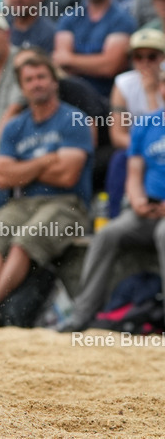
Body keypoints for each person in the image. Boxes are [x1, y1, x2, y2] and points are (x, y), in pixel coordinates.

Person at [0, 53, 92, 326]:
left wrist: (22, 170)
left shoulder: (74, 119)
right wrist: (47, 160)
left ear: (54, 82)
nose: (36, 84)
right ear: (22, 88)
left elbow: (68, 175)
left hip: (67, 203)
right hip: (23, 203)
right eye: (29, 80)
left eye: (41, 77)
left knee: (27, 238)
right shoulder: (15, 126)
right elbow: (2, 177)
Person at [56, 69, 165, 332]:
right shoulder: (146, 124)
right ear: (160, 88)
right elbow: (135, 171)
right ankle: (82, 315)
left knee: (164, 233)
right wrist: (137, 198)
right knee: (107, 234)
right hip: (145, 209)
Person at [54, 0, 136, 98]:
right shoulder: (70, 17)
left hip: (106, 98)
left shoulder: (122, 19)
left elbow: (110, 66)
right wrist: (96, 62)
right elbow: (60, 61)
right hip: (72, 97)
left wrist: (71, 60)